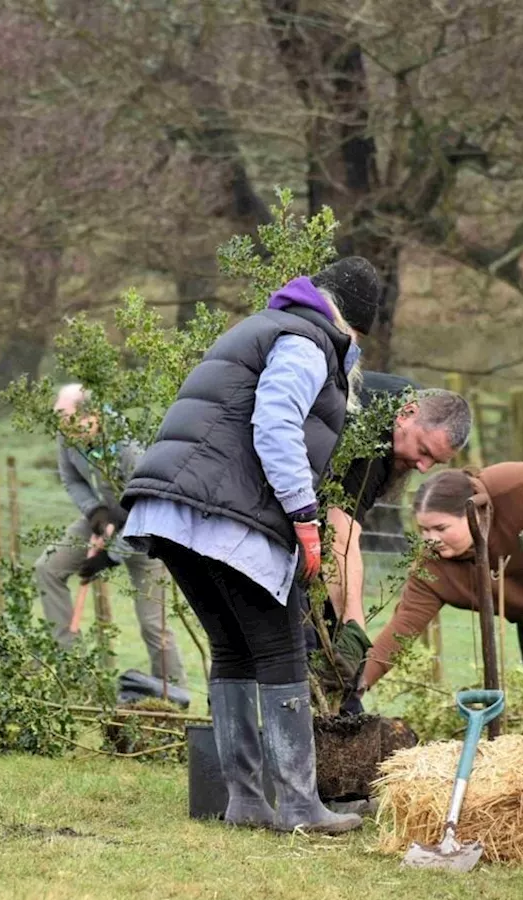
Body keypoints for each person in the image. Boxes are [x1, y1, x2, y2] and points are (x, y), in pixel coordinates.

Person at [122, 257, 381, 834]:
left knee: (235, 647)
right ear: (353, 325)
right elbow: (275, 424)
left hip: (173, 505)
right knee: (281, 647)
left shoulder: (264, 325)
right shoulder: (307, 342)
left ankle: (245, 800)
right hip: (223, 512)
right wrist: (304, 515)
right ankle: (297, 804)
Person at [352, 461, 523, 738]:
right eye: (424, 530)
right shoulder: (432, 568)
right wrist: (359, 681)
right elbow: (403, 627)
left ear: (472, 512)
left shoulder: (508, 485)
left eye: (440, 528)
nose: (431, 540)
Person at [313, 383, 471, 698]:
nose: (423, 467)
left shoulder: (396, 416)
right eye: (424, 451)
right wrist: (354, 625)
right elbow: (339, 539)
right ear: (407, 414)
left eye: (434, 462)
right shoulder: (370, 440)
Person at [35, 384, 184, 687]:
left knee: (152, 623)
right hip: (103, 518)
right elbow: (71, 478)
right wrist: (94, 511)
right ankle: (74, 672)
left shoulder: (127, 446)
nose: (62, 428)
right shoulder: (67, 434)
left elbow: (146, 509)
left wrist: (109, 557)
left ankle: (173, 690)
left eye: (67, 418)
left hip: (146, 531)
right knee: (47, 568)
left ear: (93, 415)